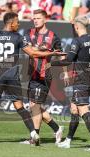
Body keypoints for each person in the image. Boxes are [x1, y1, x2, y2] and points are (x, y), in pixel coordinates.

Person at [0, 12, 55, 145]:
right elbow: (33, 53)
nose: (19, 24)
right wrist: (50, 52)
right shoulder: (18, 37)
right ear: (11, 23)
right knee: (20, 107)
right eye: (17, 22)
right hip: (13, 76)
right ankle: (33, 133)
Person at [51, 16, 90, 151]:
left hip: (81, 78)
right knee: (74, 109)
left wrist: (50, 62)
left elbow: (68, 60)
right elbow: (78, 43)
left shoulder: (77, 41)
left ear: (76, 26)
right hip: (86, 75)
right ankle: (68, 140)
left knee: (83, 109)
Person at [21, 9, 65, 145]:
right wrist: (44, 52)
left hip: (44, 76)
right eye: (34, 18)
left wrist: (65, 70)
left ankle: (35, 138)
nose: (35, 20)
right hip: (32, 74)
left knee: (35, 106)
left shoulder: (53, 36)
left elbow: (61, 54)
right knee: (35, 107)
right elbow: (30, 51)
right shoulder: (28, 33)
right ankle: (57, 129)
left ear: (45, 19)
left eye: (38, 18)